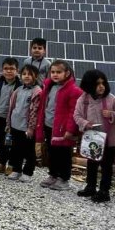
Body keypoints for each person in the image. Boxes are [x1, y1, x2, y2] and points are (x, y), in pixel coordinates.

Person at [73, 70, 115, 202]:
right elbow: (76, 116)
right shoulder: (83, 100)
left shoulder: (110, 98)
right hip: (92, 139)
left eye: (103, 83)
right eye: (97, 84)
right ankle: (90, 186)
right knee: (91, 163)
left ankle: (104, 190)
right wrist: (85, 123)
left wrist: (112, 114)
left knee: (106, 165)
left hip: (109, 140)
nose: (101, 86)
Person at [35, 60, 82, 192]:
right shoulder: (49, 87)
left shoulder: (73, 91)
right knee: (52, 152)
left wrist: (70, 129)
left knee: (64, 154)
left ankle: (64, 179)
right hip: (49, 125)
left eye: (59, 72)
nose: (55, 75)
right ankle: (53, 174)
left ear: (67, 73)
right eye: (53, 72)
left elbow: (74, 112)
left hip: (63, 129)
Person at [5, 64, 41, 183]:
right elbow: (11, 108)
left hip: (27, 128)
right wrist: (8, 124)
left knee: (29, 151)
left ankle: (28, 172)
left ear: (35, 76)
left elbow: (35, 112)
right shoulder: (18, 90)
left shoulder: (37, 92)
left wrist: (31, 128)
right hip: (15, 125)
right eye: (24, 74)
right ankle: (16, 169)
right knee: (16, 149)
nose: (26, 76)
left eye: (30, 74)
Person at [0, 57, 19, 174]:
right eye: (6, 68)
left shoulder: (19, 85)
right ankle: (1, 163)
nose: (9, 71)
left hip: (12, 120)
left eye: (12, 69)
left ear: (17, 71)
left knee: (11, 143)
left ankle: (11, 165)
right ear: (2, 70)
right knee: (0, 142)